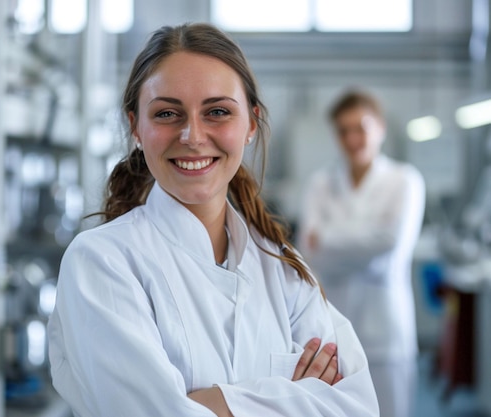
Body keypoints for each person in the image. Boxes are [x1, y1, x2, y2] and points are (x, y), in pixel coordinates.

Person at [48, 23, 379, 417]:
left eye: (217, 112)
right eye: (167, 113)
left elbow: (357, 406)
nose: (192, 135)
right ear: (136, 126)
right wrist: (291, 397)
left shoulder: (282, 267)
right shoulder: (101, 262)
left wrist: (214, 403)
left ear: (251, 124)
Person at [298, 90, 426, 417]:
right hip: (332, 328)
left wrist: (326, 238)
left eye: (361, 127)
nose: (353, 138)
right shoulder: (320, 183)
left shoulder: (405, 181)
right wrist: (362, 245)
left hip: (386, 327)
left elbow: (389, 247)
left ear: (380, 128)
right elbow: (309, 252)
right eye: (343, 130)